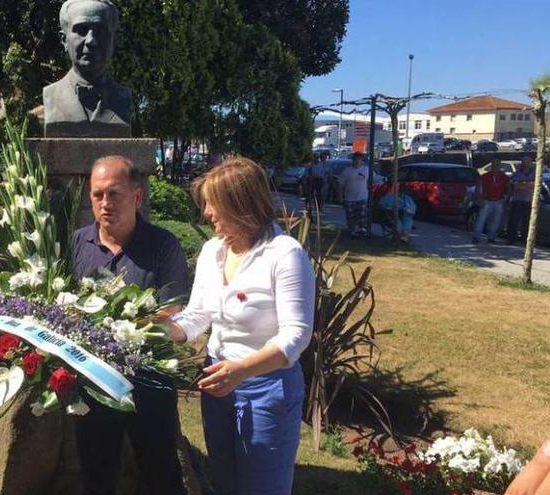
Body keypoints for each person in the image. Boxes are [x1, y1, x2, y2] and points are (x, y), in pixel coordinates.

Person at [165, 157, 315, 495]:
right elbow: (199, 314)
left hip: (267, 389)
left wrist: (242, 370)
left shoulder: (284, 254)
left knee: (263, 488)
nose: (206, 212)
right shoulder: (212, 251)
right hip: (217, 381)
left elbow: (297, 334)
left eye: (212, 203)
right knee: (225, 483)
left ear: (241, 204)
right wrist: (161, 329)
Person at [71, 155, 190, 495]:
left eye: (114, 194)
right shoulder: (78, 243)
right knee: (96, 473)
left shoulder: (164, 246)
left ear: (137, 197)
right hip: (93, 384)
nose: (105, 204)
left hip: (149, 383)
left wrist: (113, 326)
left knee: (161, 473)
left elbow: (171, 310)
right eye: (97, 195)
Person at [43, 0, 132, 138]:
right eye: (81, 30)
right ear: (64, 40)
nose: (91, 40)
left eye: (101, 31)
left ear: (114, 41)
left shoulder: (123, 98)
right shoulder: (51, 97)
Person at [473, 159, 509, 244]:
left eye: (498, 165)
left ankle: (491, 237)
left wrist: (506, 199)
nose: (496, 167)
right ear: (491, 166)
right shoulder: (484, 176)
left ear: (500, 166)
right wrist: (480, 198)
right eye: (494, 165)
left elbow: (508, 188)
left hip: (499, 201)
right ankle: (476, 237)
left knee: (496, 220)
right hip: (486, 201)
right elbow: (478, 188)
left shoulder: (504, 177)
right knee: (481, 219)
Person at [339, 152, 370, 237]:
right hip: (349, 197)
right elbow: (341, 184)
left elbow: (372, 180)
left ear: (362, 160)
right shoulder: (347, 171)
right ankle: (352, 231)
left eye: (359, 159)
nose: (357, 161)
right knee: (350, 216)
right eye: (355, 159)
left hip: (362, 197)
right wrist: (340, 196)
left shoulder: (366, 170)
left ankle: (362, 230)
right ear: (352, 160)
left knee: (362, 215)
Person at [507, 157, 536, 245]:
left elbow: (536, 185)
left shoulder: (535, 174)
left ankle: (525, 241)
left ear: (531, 163)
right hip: (517, 200)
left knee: (527, 222)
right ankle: (511, 240)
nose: (526, 164)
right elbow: (515, 186)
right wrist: (528, 184)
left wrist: (522, 184)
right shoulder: (517, 173)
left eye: (528, 162)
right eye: (524, 162)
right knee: (514, 221)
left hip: (530, 201)